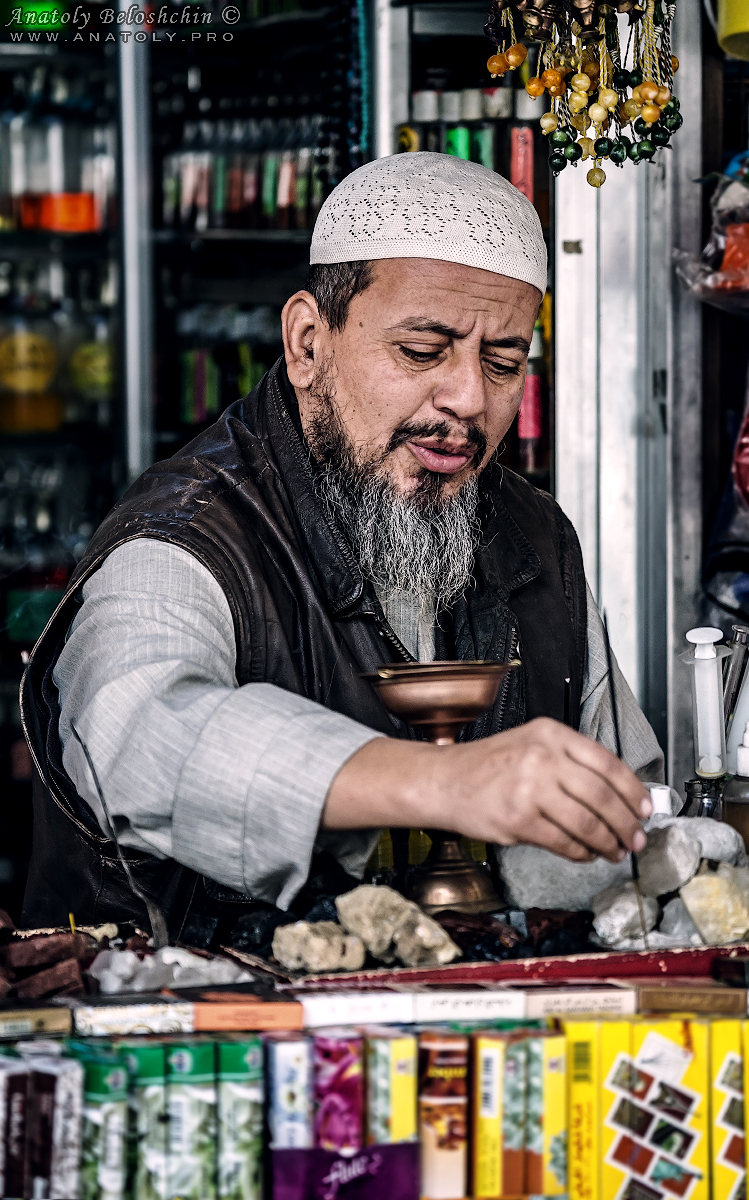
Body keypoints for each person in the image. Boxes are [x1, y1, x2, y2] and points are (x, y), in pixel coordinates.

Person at [21, 153, 663, 939]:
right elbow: (142, 740)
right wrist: (439, 783)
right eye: (422, 352)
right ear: (307, 344)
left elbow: (625, 810)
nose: (468, 398)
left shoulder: (534, 535)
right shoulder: (189, 531)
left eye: (504, 362)